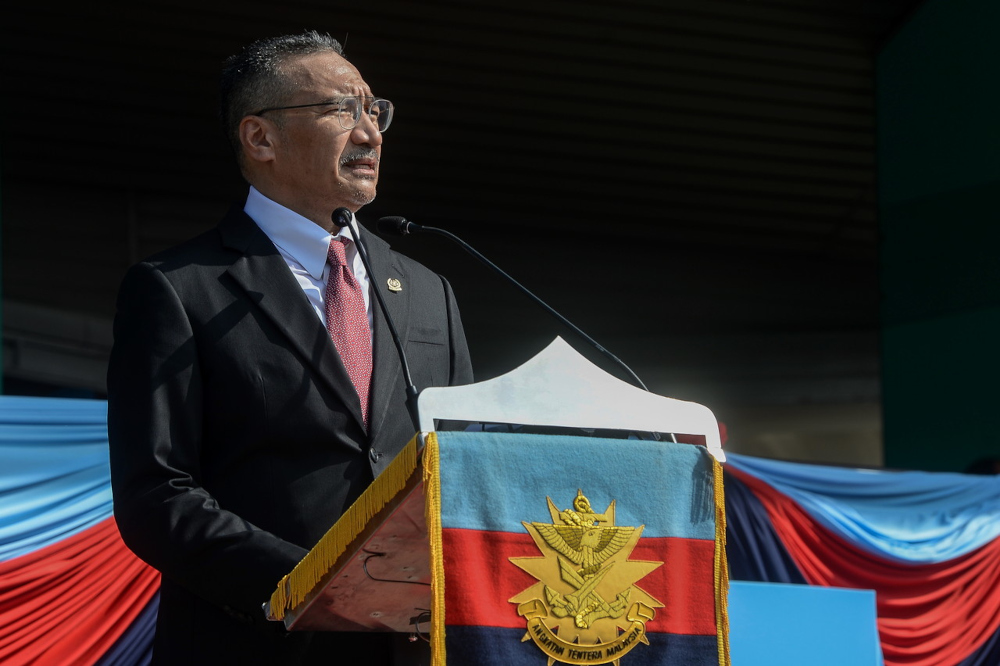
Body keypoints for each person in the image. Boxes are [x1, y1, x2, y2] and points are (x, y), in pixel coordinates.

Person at [107, 30, 473, 665]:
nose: (370, 135)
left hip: (410, 647)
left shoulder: (426, 290)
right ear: (261, 138)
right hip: (252, 639)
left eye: (375, 111)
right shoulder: (177, 289)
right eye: (341, 110)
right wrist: (313, 588)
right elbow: (156, 493)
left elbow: (465, 466)